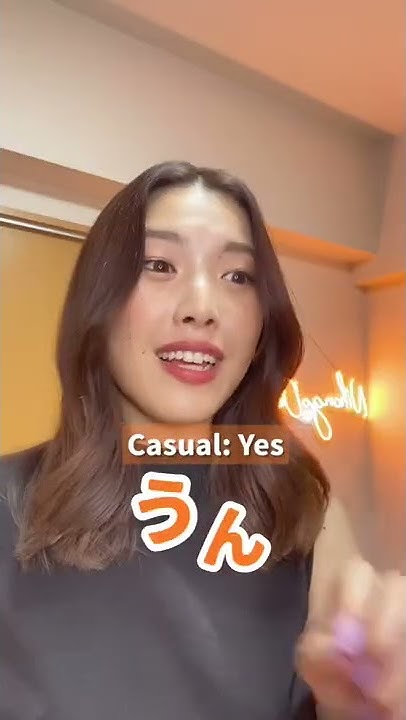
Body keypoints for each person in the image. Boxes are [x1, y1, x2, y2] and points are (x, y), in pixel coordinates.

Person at [0, 161, 404, 720]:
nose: (202, 308)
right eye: (159, 265)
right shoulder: (10, 497)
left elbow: (353, 697)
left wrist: (367, 698)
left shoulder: (299, 502)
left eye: (238, 276)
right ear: (99, 302)